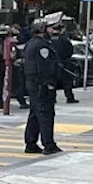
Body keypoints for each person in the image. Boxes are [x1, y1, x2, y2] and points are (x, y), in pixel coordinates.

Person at [24, 11, 63, 155]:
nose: (52, 31)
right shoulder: (42, 46)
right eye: (50, 28)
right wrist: (49, 83)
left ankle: (31, 142)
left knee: (35, 113)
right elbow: (44, 67)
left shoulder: (31, 44)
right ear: (41, 30)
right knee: (45, 114)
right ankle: (49, 144)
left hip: (33, 84)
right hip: (41, 85)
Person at [53, 18, 78, 104]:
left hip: (53, 63)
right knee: (67, 82)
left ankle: (53, 98)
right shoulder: (64, 40)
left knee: (53, 81)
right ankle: (69, 97)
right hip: (64, 62)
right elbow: (70, 50)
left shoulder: (48, 40)